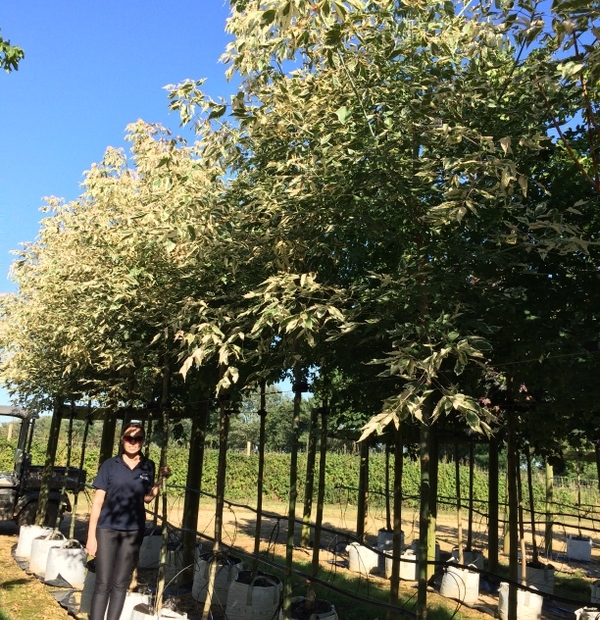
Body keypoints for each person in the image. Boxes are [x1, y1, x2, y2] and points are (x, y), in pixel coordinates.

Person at [85, 422, 171, 620]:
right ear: (122, 439)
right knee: (103, 582)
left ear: (143, 441)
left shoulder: (148, 466)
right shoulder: (109, 465)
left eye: (137, 438)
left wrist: (160, 480)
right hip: (107, 529)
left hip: (133, 531)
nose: (133, 442)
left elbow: (146, 498)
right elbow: (97, 502)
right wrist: (91, 537)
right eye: (128, 438)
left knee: (120, 583)